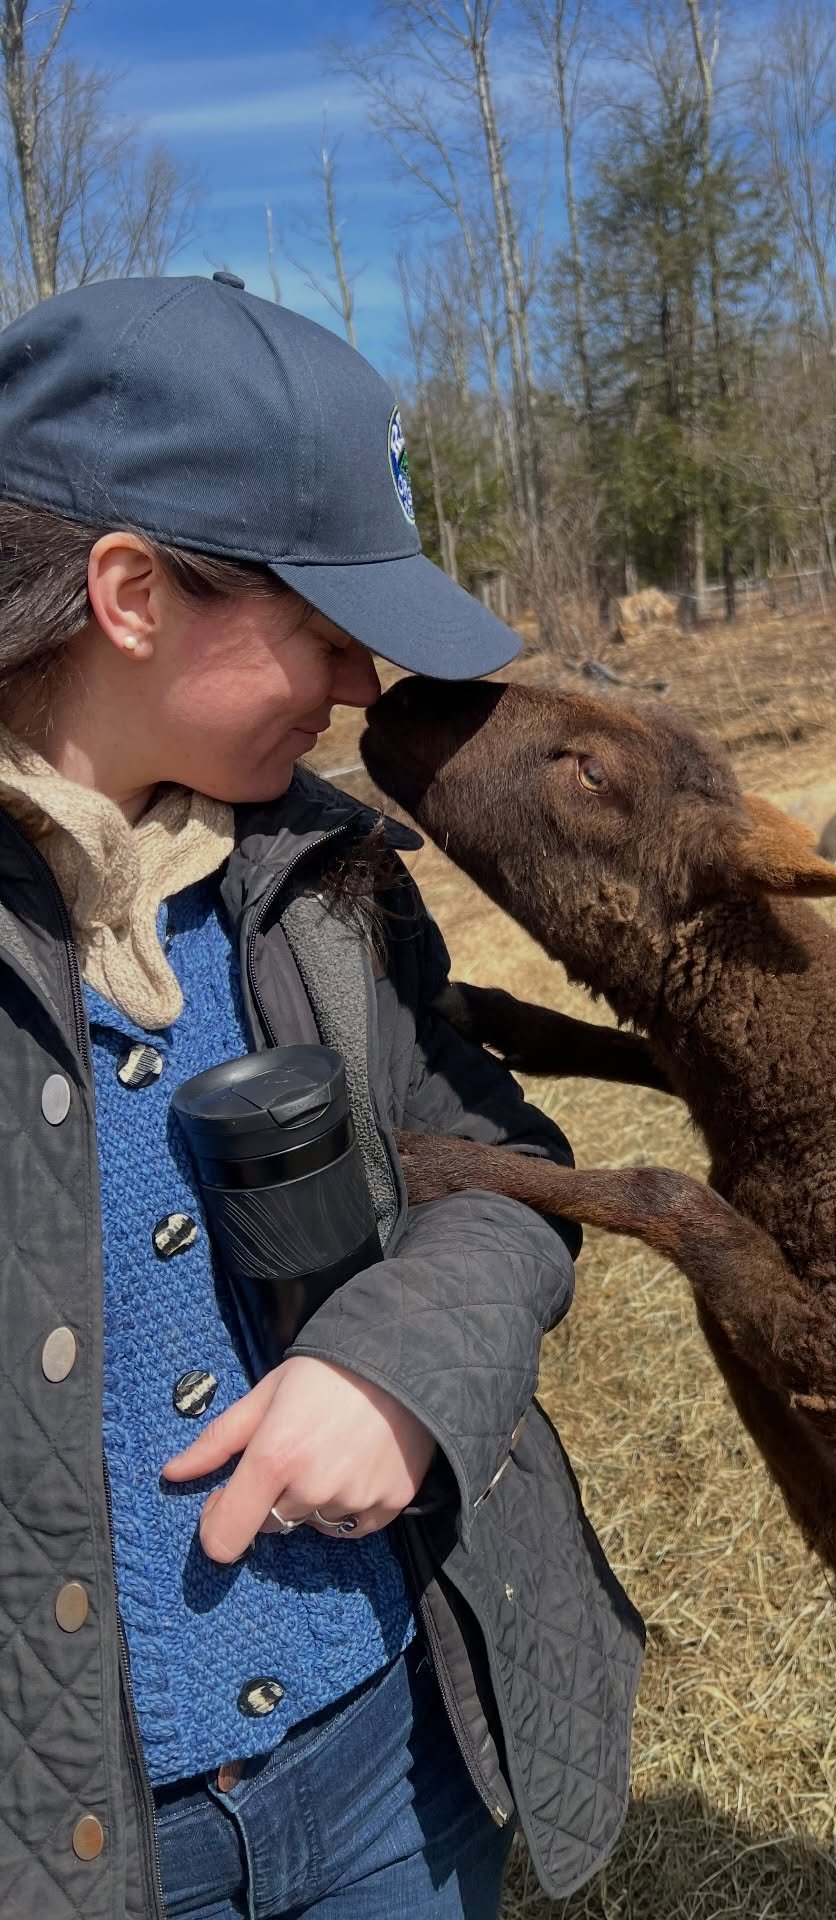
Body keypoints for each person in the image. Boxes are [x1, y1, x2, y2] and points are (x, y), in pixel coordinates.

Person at [0, 273, 643, 1920]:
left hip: (388, 1768)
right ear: (131, 592)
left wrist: (404, 1370)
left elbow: (500, 1162)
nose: (366, 686)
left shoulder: (314, 866)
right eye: (325, 624)